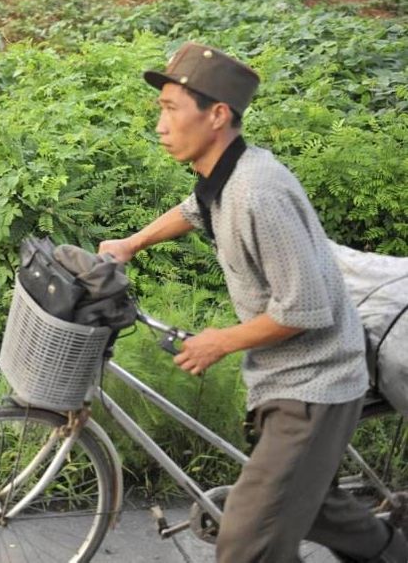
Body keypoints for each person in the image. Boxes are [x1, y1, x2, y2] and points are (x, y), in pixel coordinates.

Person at [98, 42, 408, 563]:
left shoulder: (257, 192)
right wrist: (132, 243)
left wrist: (219, 342)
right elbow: (196, 209)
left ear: (217, 114)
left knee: (248, 543)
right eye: (161, 110)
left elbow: (305, 307)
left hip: (314, 386)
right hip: (285, 380)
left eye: (172, 109)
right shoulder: (227, 176)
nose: (161, 125)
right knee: (315, 508)